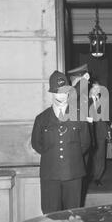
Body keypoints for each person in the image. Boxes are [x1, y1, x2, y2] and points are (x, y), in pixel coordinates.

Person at [31, 70, 90, 214]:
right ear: (52, 93)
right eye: (58, 93)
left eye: (64, 92)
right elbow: (36, 144)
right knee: (51, 215)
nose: (61, 96)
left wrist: (71, 155)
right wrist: (53, 154)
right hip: (50, 175)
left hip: (73, 174)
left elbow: (85, 143)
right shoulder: (42, 119)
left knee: (73, 216)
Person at [88, 80, 110, 186]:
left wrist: (108, 131)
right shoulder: (85, 101)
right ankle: (89, 176)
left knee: (101, 155)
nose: (97, 90)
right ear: (90, 89)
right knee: (90, 155)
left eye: (98, 88)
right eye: (95, 88)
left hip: (101, 131)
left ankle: (98, 177)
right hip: (89, 131)